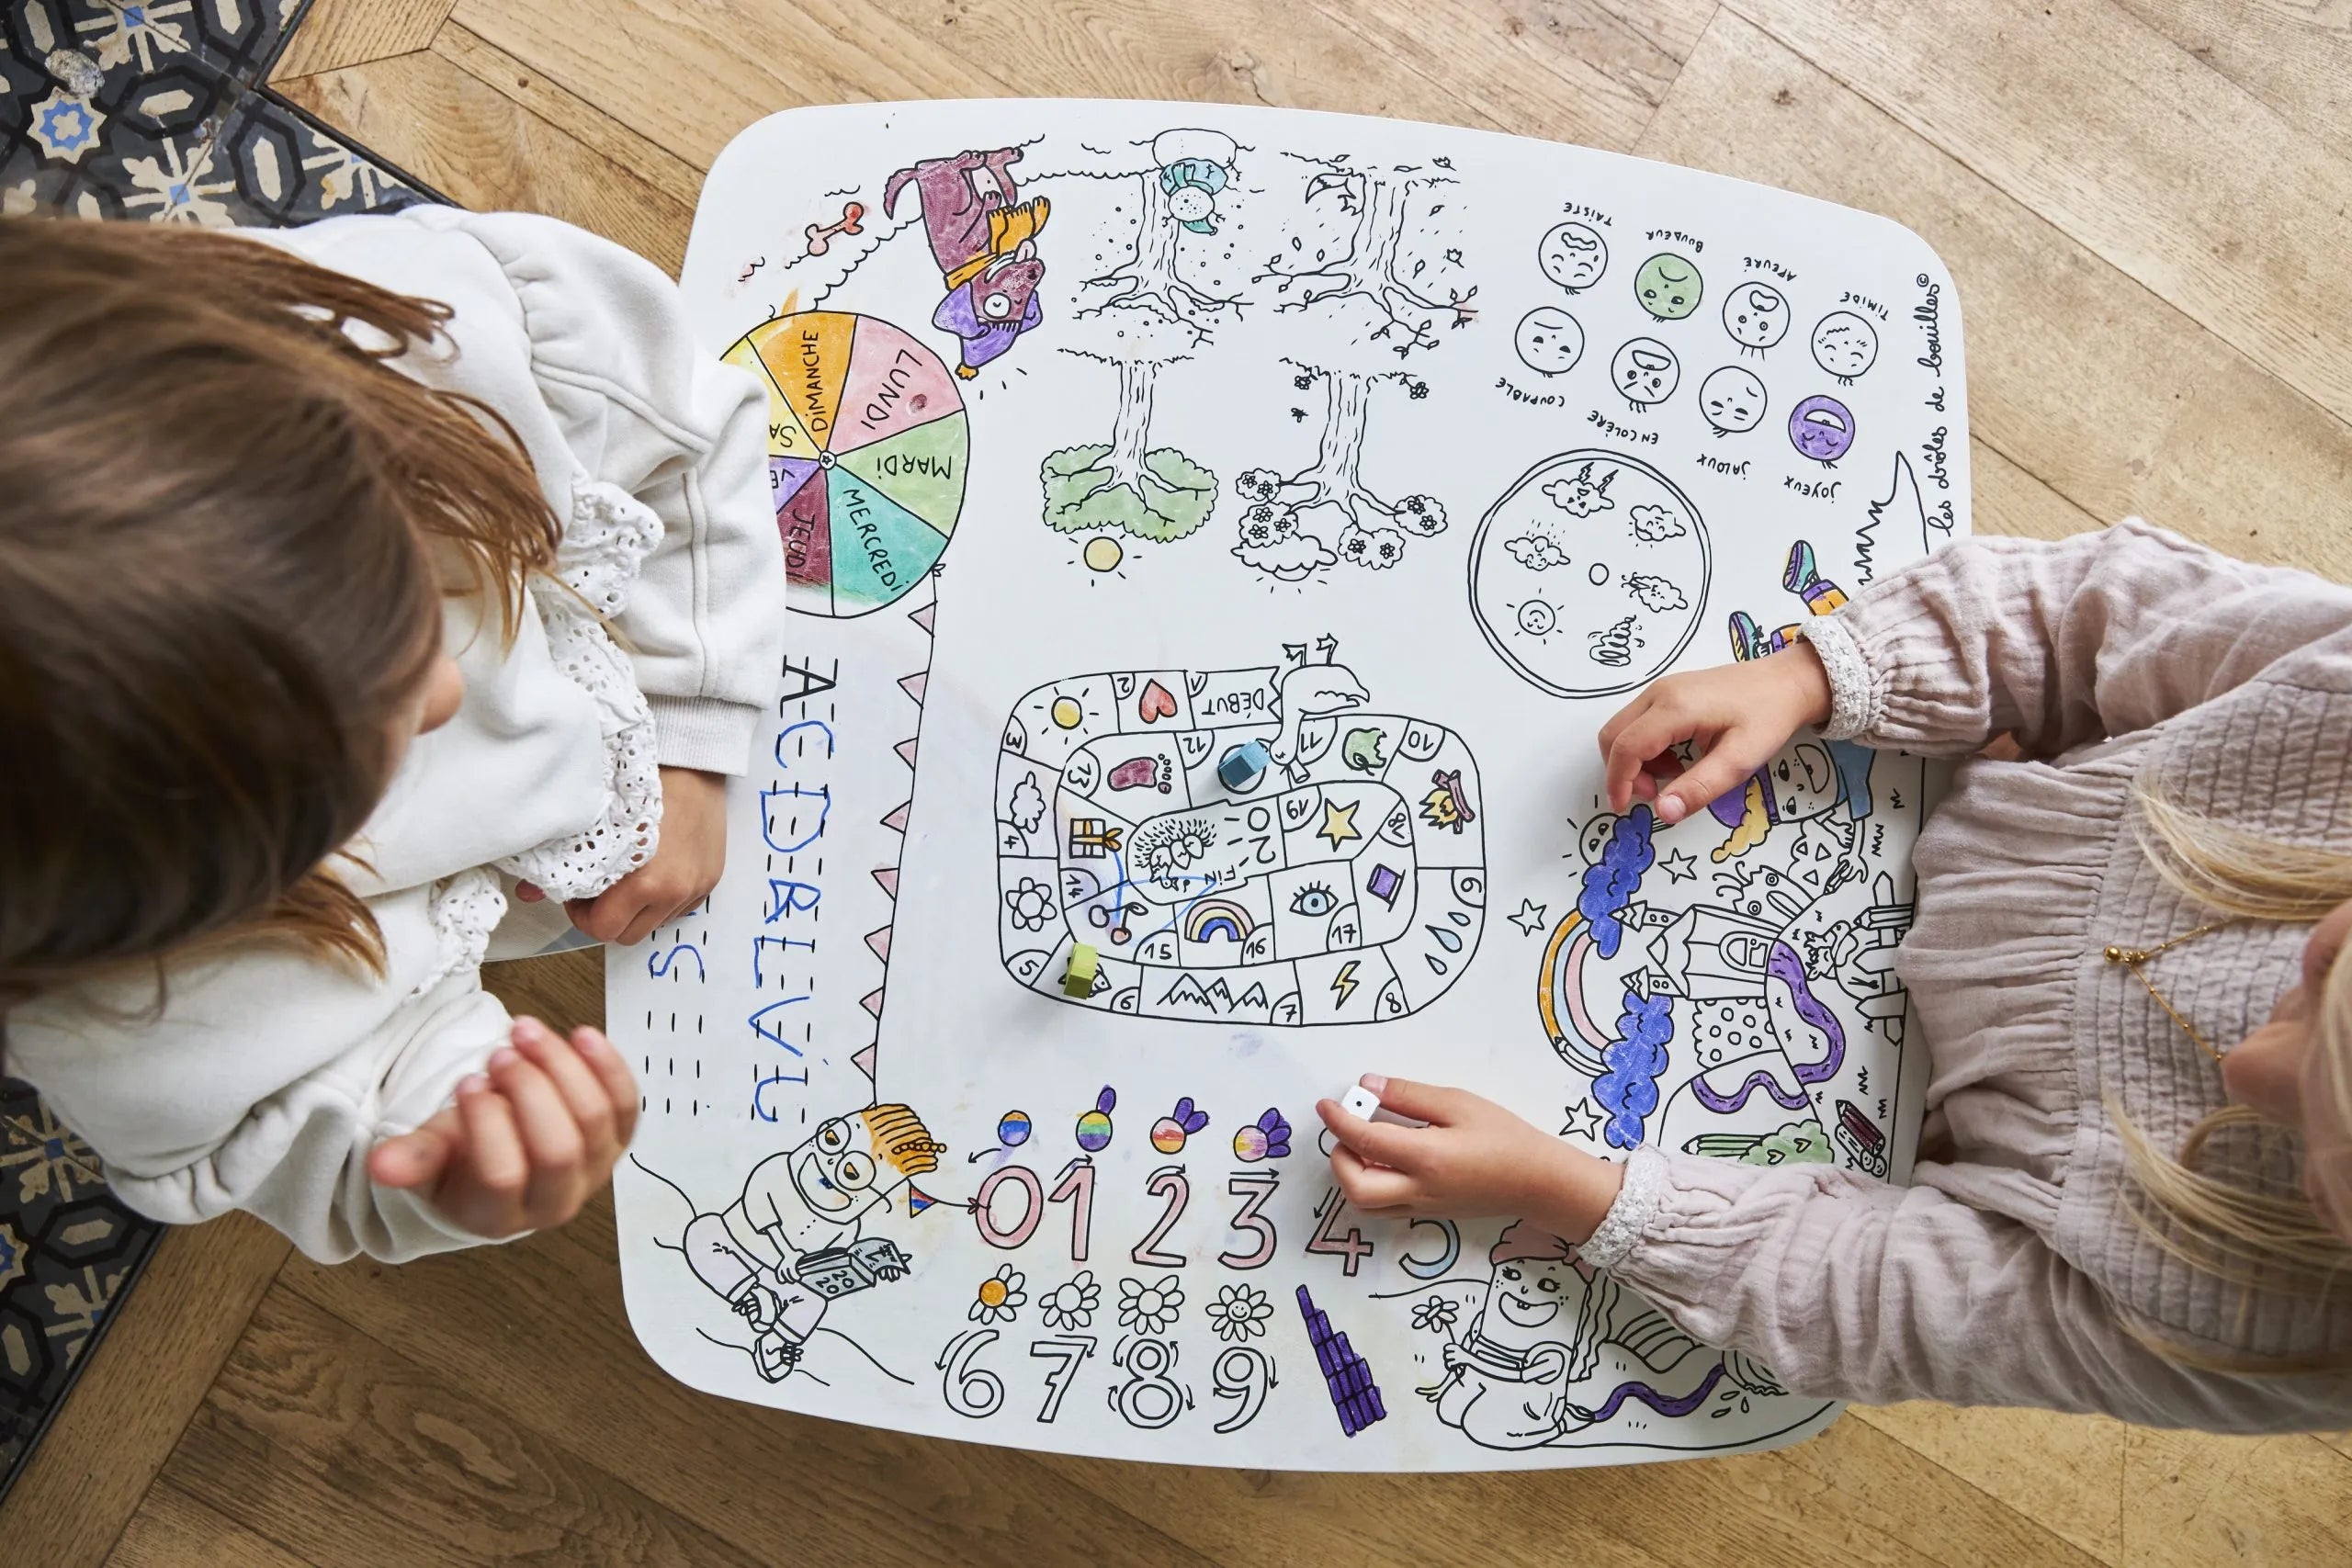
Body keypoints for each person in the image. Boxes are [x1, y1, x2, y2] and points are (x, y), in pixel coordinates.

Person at [1319, 520, 2352, 1429]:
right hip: (1897, 792)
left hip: (1902, 1149)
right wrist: (1813, 676)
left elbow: (1875, 1302)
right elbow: (2079, 612)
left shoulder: (2262, 1328)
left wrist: (1562, 1190)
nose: (2246, 1073)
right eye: (2320, 977)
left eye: (2304, 1151)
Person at [0, 210, 785, 1261]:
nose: (446, 695)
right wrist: (449, 1156)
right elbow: (336, 1117)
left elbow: (690, 430)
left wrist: (693, 725)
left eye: (400, 602)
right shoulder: (134, 1016)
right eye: (344, 772)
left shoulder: (427, 349)